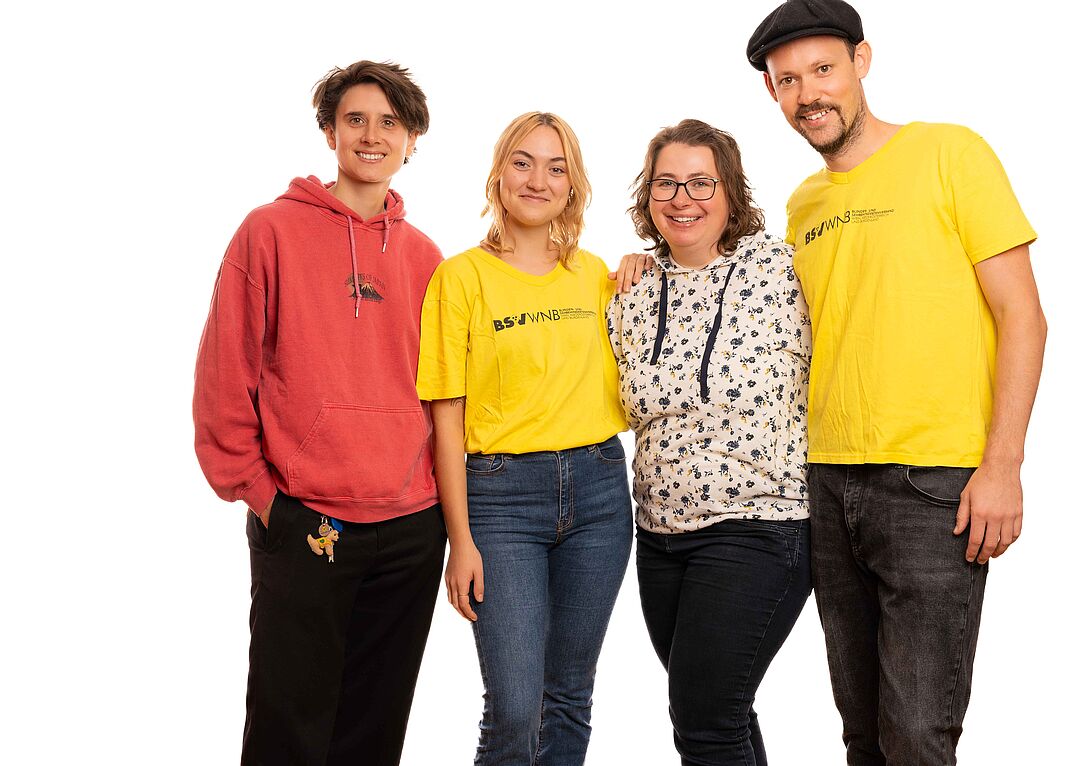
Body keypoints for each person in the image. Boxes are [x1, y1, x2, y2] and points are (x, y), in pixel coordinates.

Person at [745, 1, 1048, 763]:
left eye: (823, 69)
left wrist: (1003, 464)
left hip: (933, 485)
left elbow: (1023, 316)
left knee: (917, 734)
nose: (808, 92)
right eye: (788, 81)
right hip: (826, 481)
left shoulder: (950, 152)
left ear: (862, 62)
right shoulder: (802, 205)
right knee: (863, 734)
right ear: (774, 96)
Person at [193, 60, 447, 766]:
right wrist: (265, 498)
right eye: (356, 119)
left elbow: (445, 395)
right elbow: (224, 376)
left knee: (373, 733)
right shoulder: (268, 233)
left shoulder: (427, 258)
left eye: (390, 122)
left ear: (413, 139)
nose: (373, 136)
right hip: (307, 520)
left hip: (409, 528)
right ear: (331, 132)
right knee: (287, 732)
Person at [417, 112, 633, 765]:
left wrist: (640, 267)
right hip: (500, 502)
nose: (538, 179)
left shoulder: (595, 275)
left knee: (568, 696)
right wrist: (461, 541)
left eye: (556, 166)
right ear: (498, 174)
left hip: (598, 494)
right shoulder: (461, 280)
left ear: (574, 185)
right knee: (514, 707)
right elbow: (445, 421)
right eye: (523, 161)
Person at [609, 118, 812, 766]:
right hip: (661, 537)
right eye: (666, 183)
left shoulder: (782, 268)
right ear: (648, 196)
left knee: (704, 716)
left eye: (701, 182)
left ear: (731, 193)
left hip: (759, 525)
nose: (682, 198)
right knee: (716, 710)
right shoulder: (631, 290)